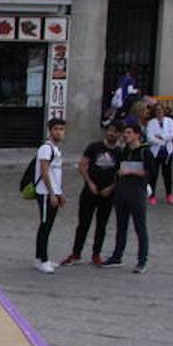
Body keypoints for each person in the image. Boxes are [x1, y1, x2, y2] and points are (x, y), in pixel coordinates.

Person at [61, 121, 122, 267]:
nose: (111, 133)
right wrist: (89, 183)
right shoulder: (94, 147)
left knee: (102, 225)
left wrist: (111, 188)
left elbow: (121, 173)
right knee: (83, 223)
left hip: (108, 194)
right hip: (90, 191)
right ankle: (76, 253)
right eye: (110, 130)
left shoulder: (120, 152)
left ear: (119, 134)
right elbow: (82, 165)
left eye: (115, 131)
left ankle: (96, 254)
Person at [101, 122, 154, 273]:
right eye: (125, 133)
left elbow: (149, 173)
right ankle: (117, 256)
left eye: (129, 132)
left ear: (137, 135)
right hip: (122, 193)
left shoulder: (145, 152)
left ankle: (142, 260)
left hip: (137, 193)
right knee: (121, 226)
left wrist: (131, 171)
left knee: (140, 227)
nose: (126, 135)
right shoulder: (123, 151)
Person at [33, 117, 67, 274]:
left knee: (48, 225)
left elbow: (56, 174)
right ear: (50, 131)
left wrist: (60, 192)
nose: (59, 132)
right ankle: (43, 259)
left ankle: (40, 257)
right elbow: (44, 171)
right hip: (46, 193)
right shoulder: (46, 149)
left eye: (61, 129)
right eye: (56, 129)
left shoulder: (56, 149)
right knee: (45, 225)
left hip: (54, 191)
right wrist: (52, 193)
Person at [144, 103, 173, 205]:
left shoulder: (170, 121)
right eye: (157, 110)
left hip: (167, 152)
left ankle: (169, 194)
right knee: (153, 174)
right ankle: (152, 195)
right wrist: (162, 141)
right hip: (155, 152)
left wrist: (162, 137)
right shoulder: (151, 123)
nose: (159, 112)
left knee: (167, 174)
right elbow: (150, 138)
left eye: (161, 110)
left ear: (164, 111)